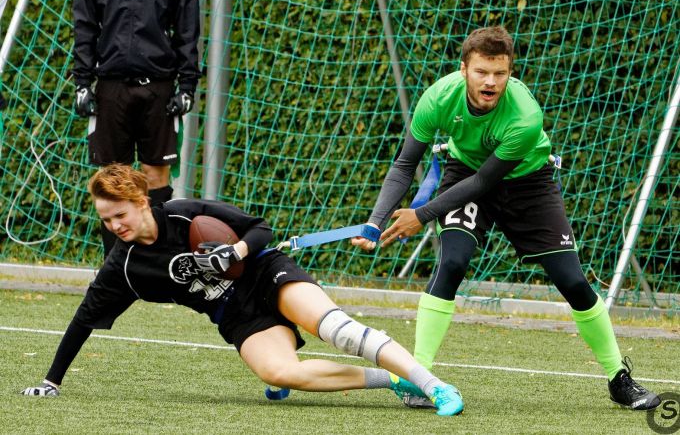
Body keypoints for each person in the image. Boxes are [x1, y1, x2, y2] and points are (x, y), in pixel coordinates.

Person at [352, 26, 660, 411]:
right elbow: (404, 165)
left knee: (573, 281)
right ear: (464, 69)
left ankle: (619, 379)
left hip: (527, 182)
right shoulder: (437, 98)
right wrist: (375, 221)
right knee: (452, 262)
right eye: (482, 72)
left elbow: (486, 181)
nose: (491, 82)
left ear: (510, 73)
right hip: (464, 171)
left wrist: (422, 215)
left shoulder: (526, 115)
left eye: (500, 73)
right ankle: (420, 379)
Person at [20, 164, 464, 417]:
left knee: (337, 330)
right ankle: (396, 380)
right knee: (279, 373)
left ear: (141, 203)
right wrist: (50, 380)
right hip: (234, 315)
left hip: (264, 274)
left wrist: (233, 251)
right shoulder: (124, 267)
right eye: (106, 220)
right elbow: (83, 318)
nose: (115, 226)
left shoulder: (183, 213)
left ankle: (433, 384)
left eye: (119, 215)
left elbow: (261, 228)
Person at [72, 0, 201, 255]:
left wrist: (187, 85)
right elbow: (84, 25)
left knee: (155, 175)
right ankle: (114, 267)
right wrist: (82, 82)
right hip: (110, 87)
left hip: (159, 88)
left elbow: (187, 27)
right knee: (110, 179)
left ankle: (154, 263)